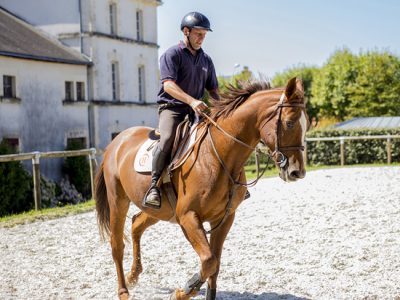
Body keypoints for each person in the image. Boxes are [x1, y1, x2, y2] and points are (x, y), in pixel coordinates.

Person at [143, 12, 220, 209]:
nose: (202, 38)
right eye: (198, 34)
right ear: (186, 32)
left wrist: (222, 110)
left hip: (198, 110)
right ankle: (154, 186)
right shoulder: (172, 54)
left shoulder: (206, 60)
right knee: (167, 138)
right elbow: (168, 85)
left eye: (204, 34)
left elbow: (213, 90)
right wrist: (192, 101)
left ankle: (230, 182)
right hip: (173, 109)